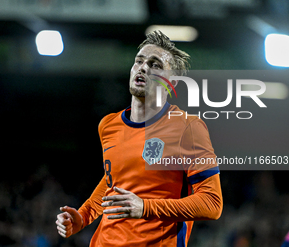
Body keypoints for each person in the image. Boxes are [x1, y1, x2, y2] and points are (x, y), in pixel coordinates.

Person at [56, 30, 223, 247]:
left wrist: (145, 208)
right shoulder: (108, 125)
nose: (143, 67)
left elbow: (211, 204)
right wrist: (84, 216)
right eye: (139, 61)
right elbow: (113, 180)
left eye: (155, 65)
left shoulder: (188, 128)